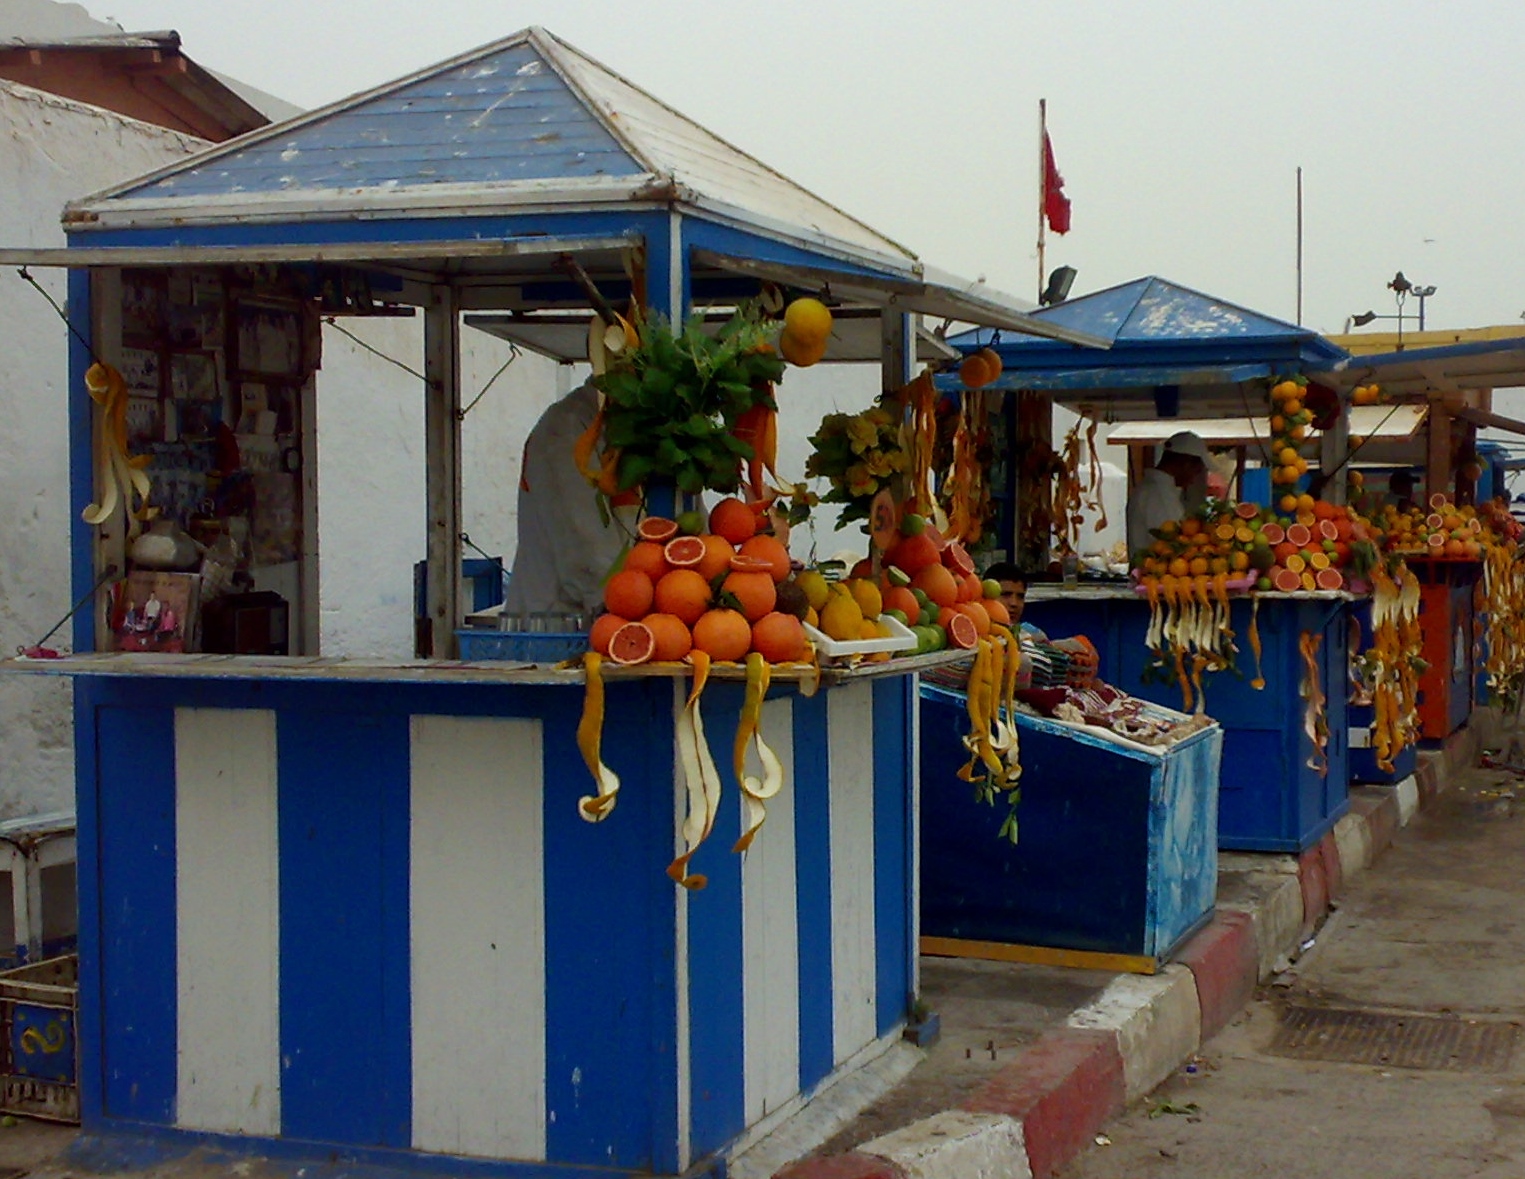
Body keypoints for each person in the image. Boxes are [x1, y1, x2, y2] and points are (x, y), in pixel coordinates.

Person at [503, 379, 627, 618]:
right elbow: (589, 563)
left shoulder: (660, 434)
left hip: (631, 625)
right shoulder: (566, 428)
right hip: (556, 630)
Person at [1126, 430, 1209, 557]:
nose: (1193, 480)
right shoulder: (1158, 495)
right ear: (1186, 464)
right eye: (1196, 471)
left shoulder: (1156, 490)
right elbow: (1173, 546)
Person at [982, 561, 1027, 629]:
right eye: (1006, 595)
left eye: (1020, 596)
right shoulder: (969, 634)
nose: (1014, 603)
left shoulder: (1034, 635)